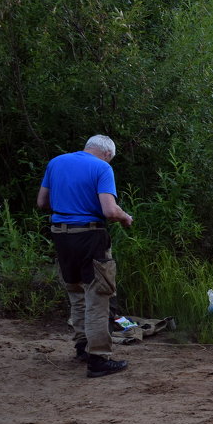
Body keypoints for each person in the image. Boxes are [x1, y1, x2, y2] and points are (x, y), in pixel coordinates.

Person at [36, 134, 134, 378]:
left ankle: (82, 347)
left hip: (61, 236)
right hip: (89, 237)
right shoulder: (102, 168)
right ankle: (98, 359)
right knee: (98, 295)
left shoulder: (56, 162)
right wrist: (125, 218)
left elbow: (42, 202)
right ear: (107, 154)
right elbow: (109, 211)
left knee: (76, 292)